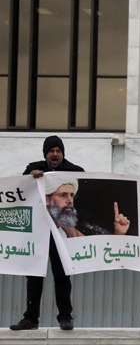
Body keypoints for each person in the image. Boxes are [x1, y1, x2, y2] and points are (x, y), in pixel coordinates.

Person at [11, 136, 84, 331]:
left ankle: (65, 317)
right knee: (34, 275)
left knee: (62, 275)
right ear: (45, 154)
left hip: (59, 234)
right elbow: (23, 187)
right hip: (39, 232)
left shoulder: (72, 170)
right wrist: (31, 176)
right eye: (51, 151)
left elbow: (84, 177)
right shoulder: (35, 168)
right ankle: (30, 318)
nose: (55, 154)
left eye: (58, 151)